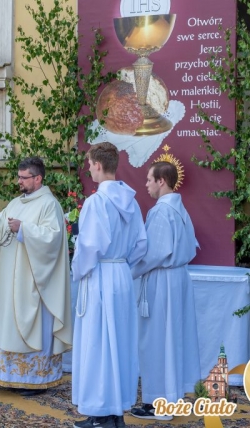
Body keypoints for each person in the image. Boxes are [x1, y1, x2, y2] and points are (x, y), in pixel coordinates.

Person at [0, 157, 72, 396]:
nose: (19, 181)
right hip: (11, 281)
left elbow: (53, 238)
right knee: (10, 324)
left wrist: (24, 229)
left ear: (37, 178)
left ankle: (34, 379)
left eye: (23, 177)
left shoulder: (49, 204)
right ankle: (9, 376)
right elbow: (0, 225)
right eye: (18, 177)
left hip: (34, 282)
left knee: (34, 327)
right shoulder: (16, 203)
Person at [70, 143, 147, 428]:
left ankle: (101, 413)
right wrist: (124, 265)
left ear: (99, 165)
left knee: (98, 343)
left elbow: (90, 248)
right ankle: (116, 411)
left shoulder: (96, 202)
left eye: (90, 164)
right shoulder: (132, 202)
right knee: (120, 343)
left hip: (100, 275)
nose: (88, 168)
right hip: (121, 275)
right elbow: (142, 245)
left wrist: (77, 269)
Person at [130, 161, 201, 421]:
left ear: (161, 181)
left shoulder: (161, 211)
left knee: (156, 341)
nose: (146, 184)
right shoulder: (180, 209)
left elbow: (153, 254)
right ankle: (171, 397)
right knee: (172, 339)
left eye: (149, 179)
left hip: (162, 281)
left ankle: (157, 403)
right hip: (178, 278)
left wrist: (127, 270)